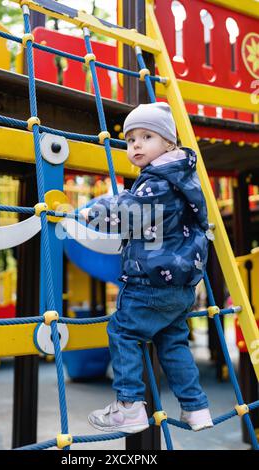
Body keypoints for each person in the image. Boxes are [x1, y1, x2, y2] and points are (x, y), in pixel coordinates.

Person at [80, 102, 214, 434]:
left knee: (122, 331)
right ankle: (196, 408)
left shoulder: (156, 181)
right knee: (173, 343)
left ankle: (129, 406)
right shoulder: (183, 178)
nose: (136, 145)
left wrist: (95, 210)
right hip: (181, 286)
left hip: (150, 282)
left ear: (169, 143)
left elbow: (131, 210)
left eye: (146, 136)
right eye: (130, 139)